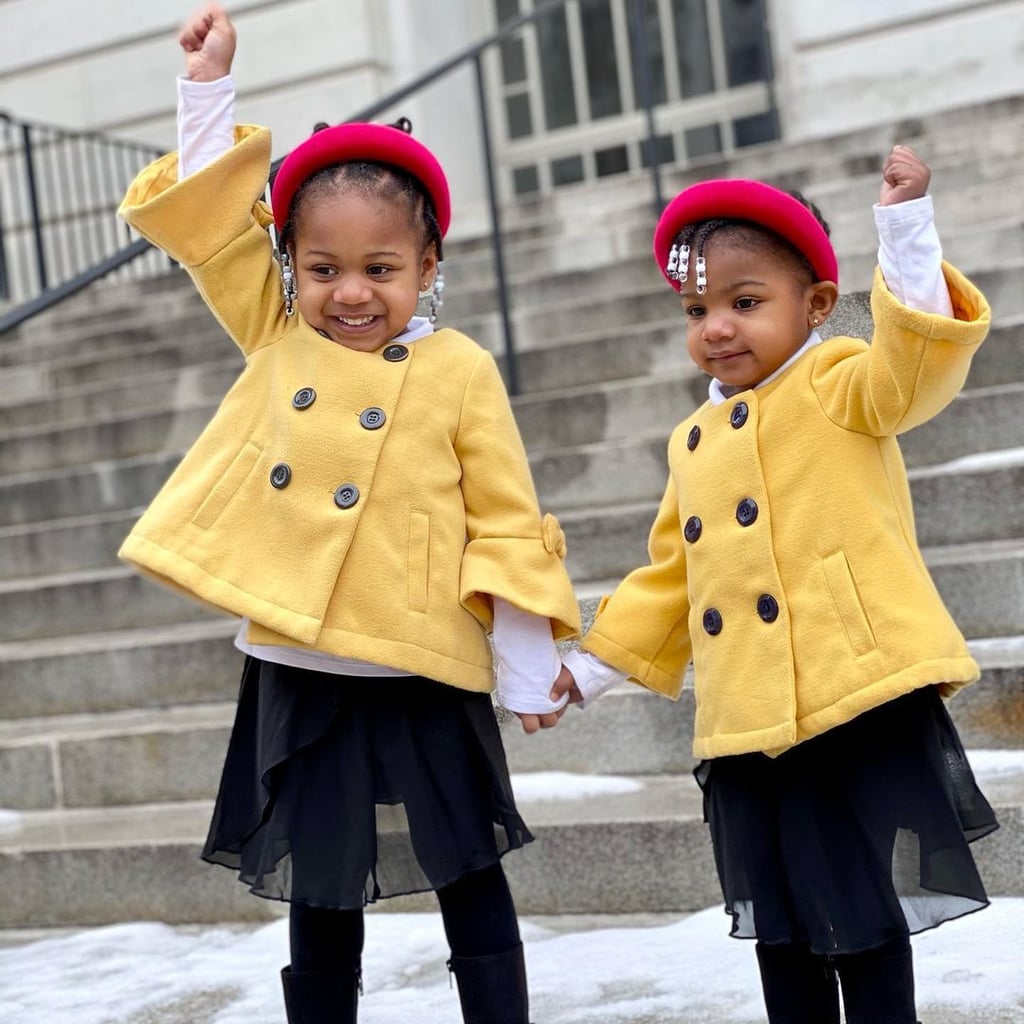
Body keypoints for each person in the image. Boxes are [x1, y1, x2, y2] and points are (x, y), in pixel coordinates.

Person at [117, 5, 578, 1022]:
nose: (351, 293)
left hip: (421, 660)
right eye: (323, 268)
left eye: (381, 269)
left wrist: (522, 651)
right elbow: (208, 225)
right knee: (320, 891)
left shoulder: (460, 368)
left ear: (427, 268)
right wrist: (207, 90)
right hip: (303, 661)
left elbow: (504, 514)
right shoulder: (277, 337)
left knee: (469, 872)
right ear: (292, 270)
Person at [553, 148, 999, 1023]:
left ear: (818, 307)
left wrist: (904, 233)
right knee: (783, 934)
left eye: (745, 302)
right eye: (697, 308)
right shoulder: (692, 440)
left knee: (866, 922)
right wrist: (593, 664)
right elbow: (672, 579)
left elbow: (912, 371)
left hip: (851, 702)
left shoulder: (839, 383)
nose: (716, 327)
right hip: (749, 723)